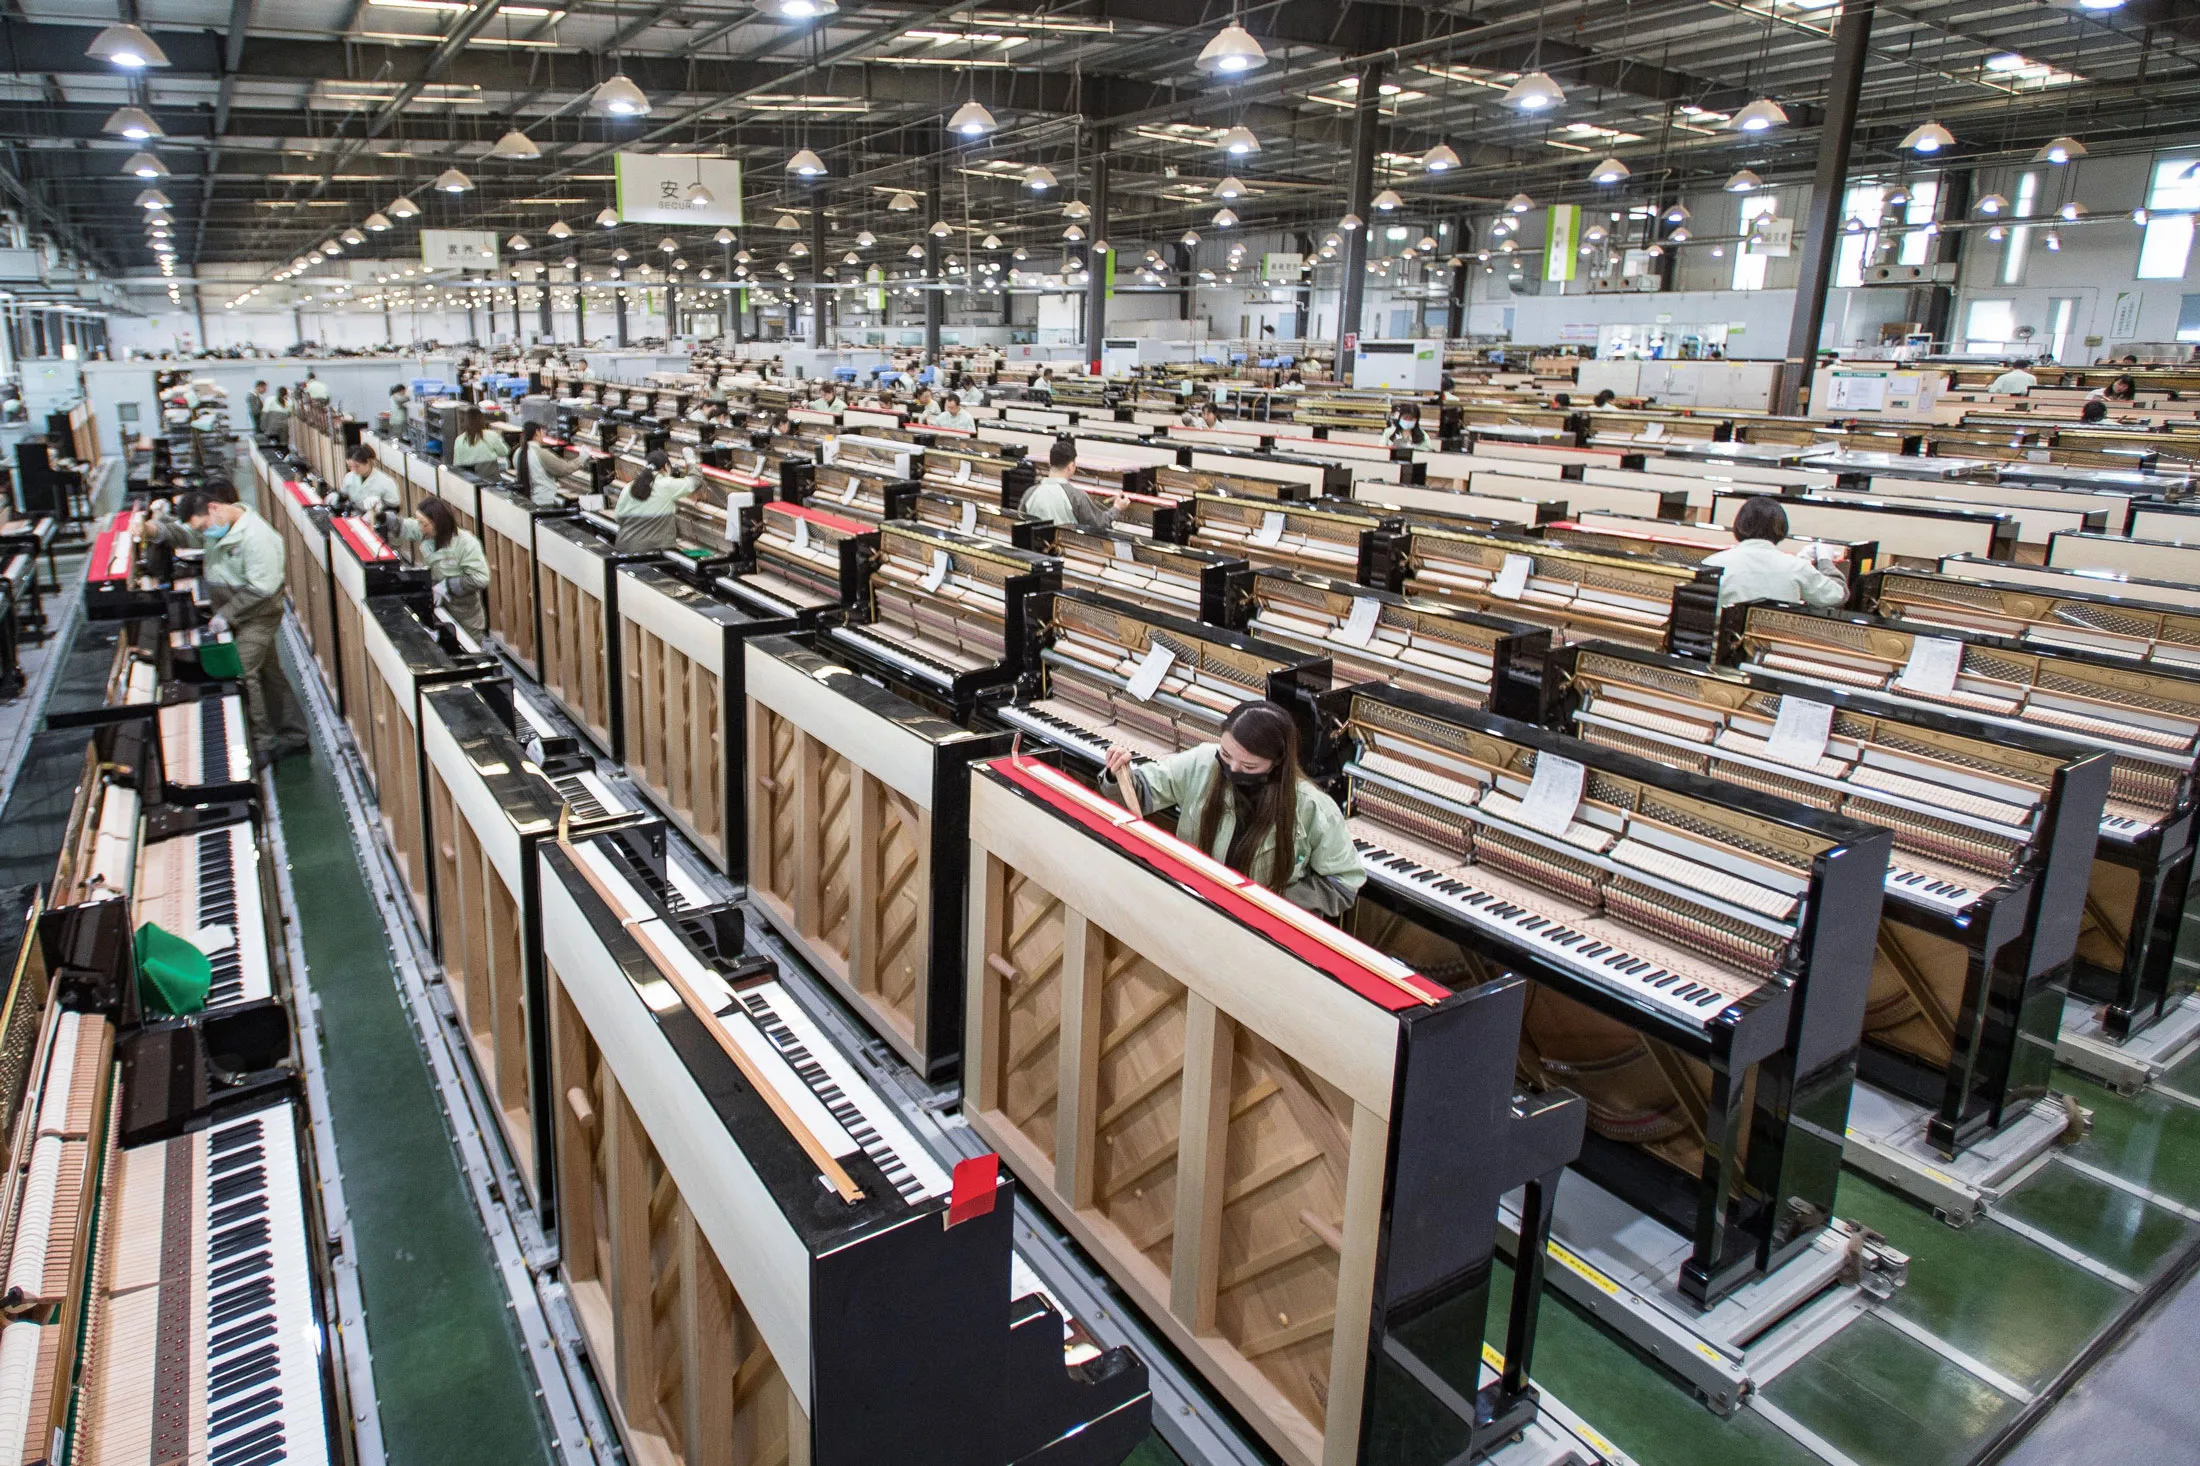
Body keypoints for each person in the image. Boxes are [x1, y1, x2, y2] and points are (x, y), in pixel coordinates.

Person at [1102, 699, 1364, 919]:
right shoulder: (1203, 761)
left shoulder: (1312, 806)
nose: (1233, 771)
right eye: (1226, 756)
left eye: (1249, 767)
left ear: (1277, 763)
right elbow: (1140, 793)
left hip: (1264, 933)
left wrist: (1275, 906)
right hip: (1192, 908)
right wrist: (1118, 774)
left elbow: (1343, 883)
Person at [178, 492, 310, 768]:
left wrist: (226, 614)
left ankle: (263, 743)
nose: (205, 532)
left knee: (241, 669)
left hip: (258, 615)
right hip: (239, 614)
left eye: (204, 526)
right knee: (269, 672)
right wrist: (153, 529)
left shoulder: (257, 537)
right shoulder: (219, 526)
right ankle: (295, 734)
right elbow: (188, 536)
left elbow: (263, 588)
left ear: (214, 506)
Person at [1702, 497, 1848, 612]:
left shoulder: (1712, 563)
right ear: (1782, 529)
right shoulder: (1796, 567)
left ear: (1739, 525)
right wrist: (1825, 561)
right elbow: (1837, 595)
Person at [397, 497, 490, 636]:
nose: (421, 528)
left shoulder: (466, 544)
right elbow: (403, 526)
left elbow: (481, 578)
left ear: (437, 524)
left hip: (464, 614)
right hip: (438, 607)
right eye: (419, 522)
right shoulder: (426, 533)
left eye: (424, 524)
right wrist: (383, 516)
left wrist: (447, 585)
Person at [612, 448, 701, 552]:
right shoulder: (666, 484)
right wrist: (691, 461)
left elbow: (617, 517)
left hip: (624, 549)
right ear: (666, 467)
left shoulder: (629, 487)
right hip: (651, 553)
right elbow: (696, 481)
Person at [1018, 439, 1115, 530]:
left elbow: (1021, 519)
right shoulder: (1077, 496)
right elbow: (1101, 524)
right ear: (1071, 466)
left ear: (1050, 463)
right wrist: (1117, 508)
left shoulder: (1030, 493)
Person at [516, 420, 585, 507]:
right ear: (537, 432)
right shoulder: (540, 453)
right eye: (542, 432)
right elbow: (564, 468)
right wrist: (582, 458)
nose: (543, 435)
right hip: (544, 501)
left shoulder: (518, 452)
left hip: (527, 499)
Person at [340, 442, 401, 517]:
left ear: (368, 462)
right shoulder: (349, 477)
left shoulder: (386, 482)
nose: (353, 470)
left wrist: (380, 508)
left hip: (378, 519)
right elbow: (343, 496)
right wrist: (337, 497)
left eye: (357, 466)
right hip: (356, 515)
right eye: (350, 466)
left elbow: (395, 508)